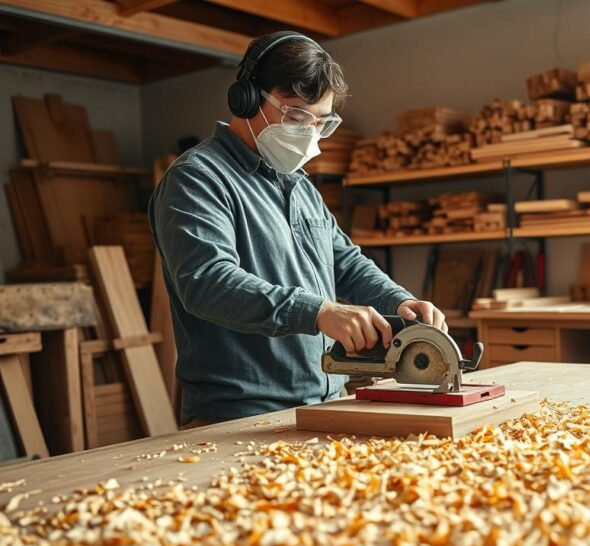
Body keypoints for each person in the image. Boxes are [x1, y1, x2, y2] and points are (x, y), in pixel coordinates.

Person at [150, 31, 446, 427]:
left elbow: (345, 263)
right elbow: (207, 282)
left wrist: (398, 301)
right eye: (295, 116)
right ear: (248, 98)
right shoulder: (198, 179)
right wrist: (319, 312)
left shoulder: (298, 183)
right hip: (238, 416)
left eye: (320, 122)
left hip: (323, 402)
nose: (307, 133)